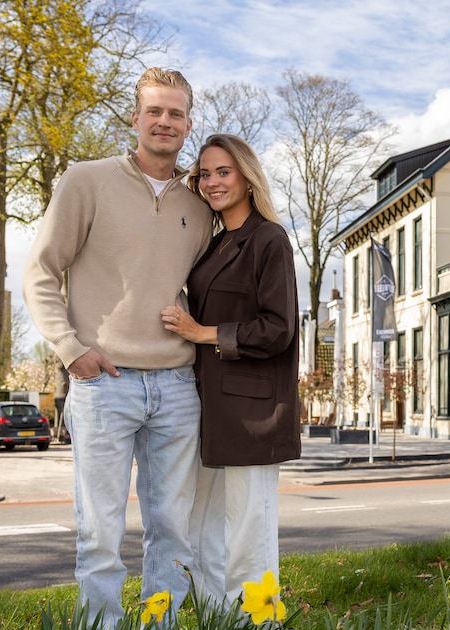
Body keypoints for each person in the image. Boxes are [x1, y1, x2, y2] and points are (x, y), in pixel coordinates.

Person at [22, 67, 213, 627]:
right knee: (100, 529)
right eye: (154, 110)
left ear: (188, 124)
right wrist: (67, 346)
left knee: (173, 529)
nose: (164, 121)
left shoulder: (200, 205)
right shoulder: (86, 180)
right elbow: (39, 271)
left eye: (175, 113)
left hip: (178, 386)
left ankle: (162, 624)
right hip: (103, 383)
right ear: (134, 118)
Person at [160, 133, 301, 605]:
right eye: (205, 174)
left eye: (224, 171)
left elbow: (279, 328)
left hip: (252, 411)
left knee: (249, 530)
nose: (213, 182)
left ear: (246, 175)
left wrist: (204, 332)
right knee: (204, 527)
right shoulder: (215, 242)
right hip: (207, 405)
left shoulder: (269, 238)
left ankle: (257, 617)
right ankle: (219, 615)